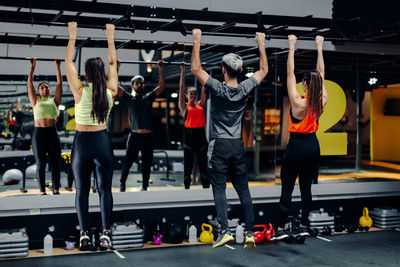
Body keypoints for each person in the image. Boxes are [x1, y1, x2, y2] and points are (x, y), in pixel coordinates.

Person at [191, 29, 268, 249]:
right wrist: (260, 42)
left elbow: (196, 68)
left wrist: (197, 39)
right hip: (237, 144)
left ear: (223, 70)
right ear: (241, 70)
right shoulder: (245, 87)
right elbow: (264, 69)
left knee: (219, 188)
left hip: (220, 144)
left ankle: (224, 231)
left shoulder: (216, 88)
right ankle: (251, 232)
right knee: (243, 189)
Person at [65, 21, 118, 250]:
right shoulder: (110, 92)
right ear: (102, 74)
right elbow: (114, 62)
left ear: (85, 74)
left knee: (81, 191)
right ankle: (106, 234)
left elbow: (68, 61)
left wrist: (73, 34)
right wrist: (110, 35)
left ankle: (85, 234)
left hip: (83, 143)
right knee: (104, 190)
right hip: (102, 142)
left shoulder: (79, 90)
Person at [271, 35, 328, 240]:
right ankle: (303, 225)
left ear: (304, 84)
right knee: (306, 189)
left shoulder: (297, 102)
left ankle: (280, 228)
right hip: (313, 146)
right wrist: (319, 47)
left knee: (287, 187)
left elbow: (289, 72)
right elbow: (321, 73)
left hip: (296, 146)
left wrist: (292, 46)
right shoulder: (322, 99)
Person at [118, 61, 165, 192]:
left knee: (147, 163)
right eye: (137, 82)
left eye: (141, 82)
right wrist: (116, 68)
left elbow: (161, 87)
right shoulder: (129, 99)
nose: (140, 84)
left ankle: (145, 187)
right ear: (132, 86)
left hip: (148, 137)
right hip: (135, 136)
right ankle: (122, 184)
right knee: (128, 162)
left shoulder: (148, 97)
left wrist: (161, 69)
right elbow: (114, 88)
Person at [27, 58, 63, 195]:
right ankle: (42, 191)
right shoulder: (35, 100)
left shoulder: (55, 101)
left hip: (52, 133)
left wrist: (58, 67)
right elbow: (29, 83)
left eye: (47, 87)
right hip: (39, 134)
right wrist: (32, 67)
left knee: (55, 163)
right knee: (41, 163)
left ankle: (56, 189)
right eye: (42, 87)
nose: (45, 89)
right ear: (39, 91)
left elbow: (60, 83)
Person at [178, 63, 209, 189]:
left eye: (195, 94)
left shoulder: (201, 104)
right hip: (189, 138)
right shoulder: (184, 107)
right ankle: (186, 189)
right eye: (191, 94)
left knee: (203, 166)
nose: (193, 96)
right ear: (187, 96)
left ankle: (206, 189)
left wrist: (204, 71)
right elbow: (181, 89)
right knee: (188, 166)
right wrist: (183, 72)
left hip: (201, 136)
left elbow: (204, 87)